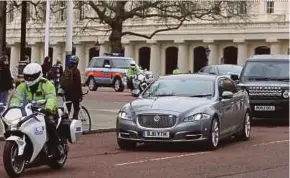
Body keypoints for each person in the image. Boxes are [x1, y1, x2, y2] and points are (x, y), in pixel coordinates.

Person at [9, 63, 63, 158]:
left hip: (46, 112)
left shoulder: (47, 85)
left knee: (49, 123)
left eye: (32, 77)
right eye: (27, 76)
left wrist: (48, 108)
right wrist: (13, 107)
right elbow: (16, 98)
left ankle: (58, 145)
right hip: (29, 112)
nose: (29, 79)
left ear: (38, 75)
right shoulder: (23, 86)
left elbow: (51, 97)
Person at [60, 56, 82, 120]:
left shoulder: (66, 70)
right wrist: (80, 94)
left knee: (68, 109)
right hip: (75, 94)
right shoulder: (76, 71)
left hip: (67, 93)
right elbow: (78, 84)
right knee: (76, 108)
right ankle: (75, 121)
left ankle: (65, 122)